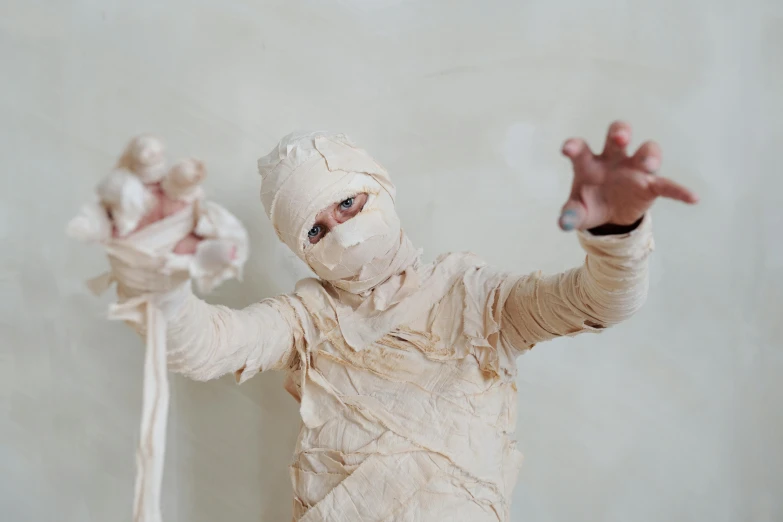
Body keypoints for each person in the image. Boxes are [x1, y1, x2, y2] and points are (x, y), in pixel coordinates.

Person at [79, 122, 698, 521]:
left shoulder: (476, 299)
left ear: (382, 187)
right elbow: (207, 346)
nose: (342, 233)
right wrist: (154, 276)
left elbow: (598, 301)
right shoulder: (308, 318)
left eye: (349, 202)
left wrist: (615, 232)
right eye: (316, 229)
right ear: (302, 252)